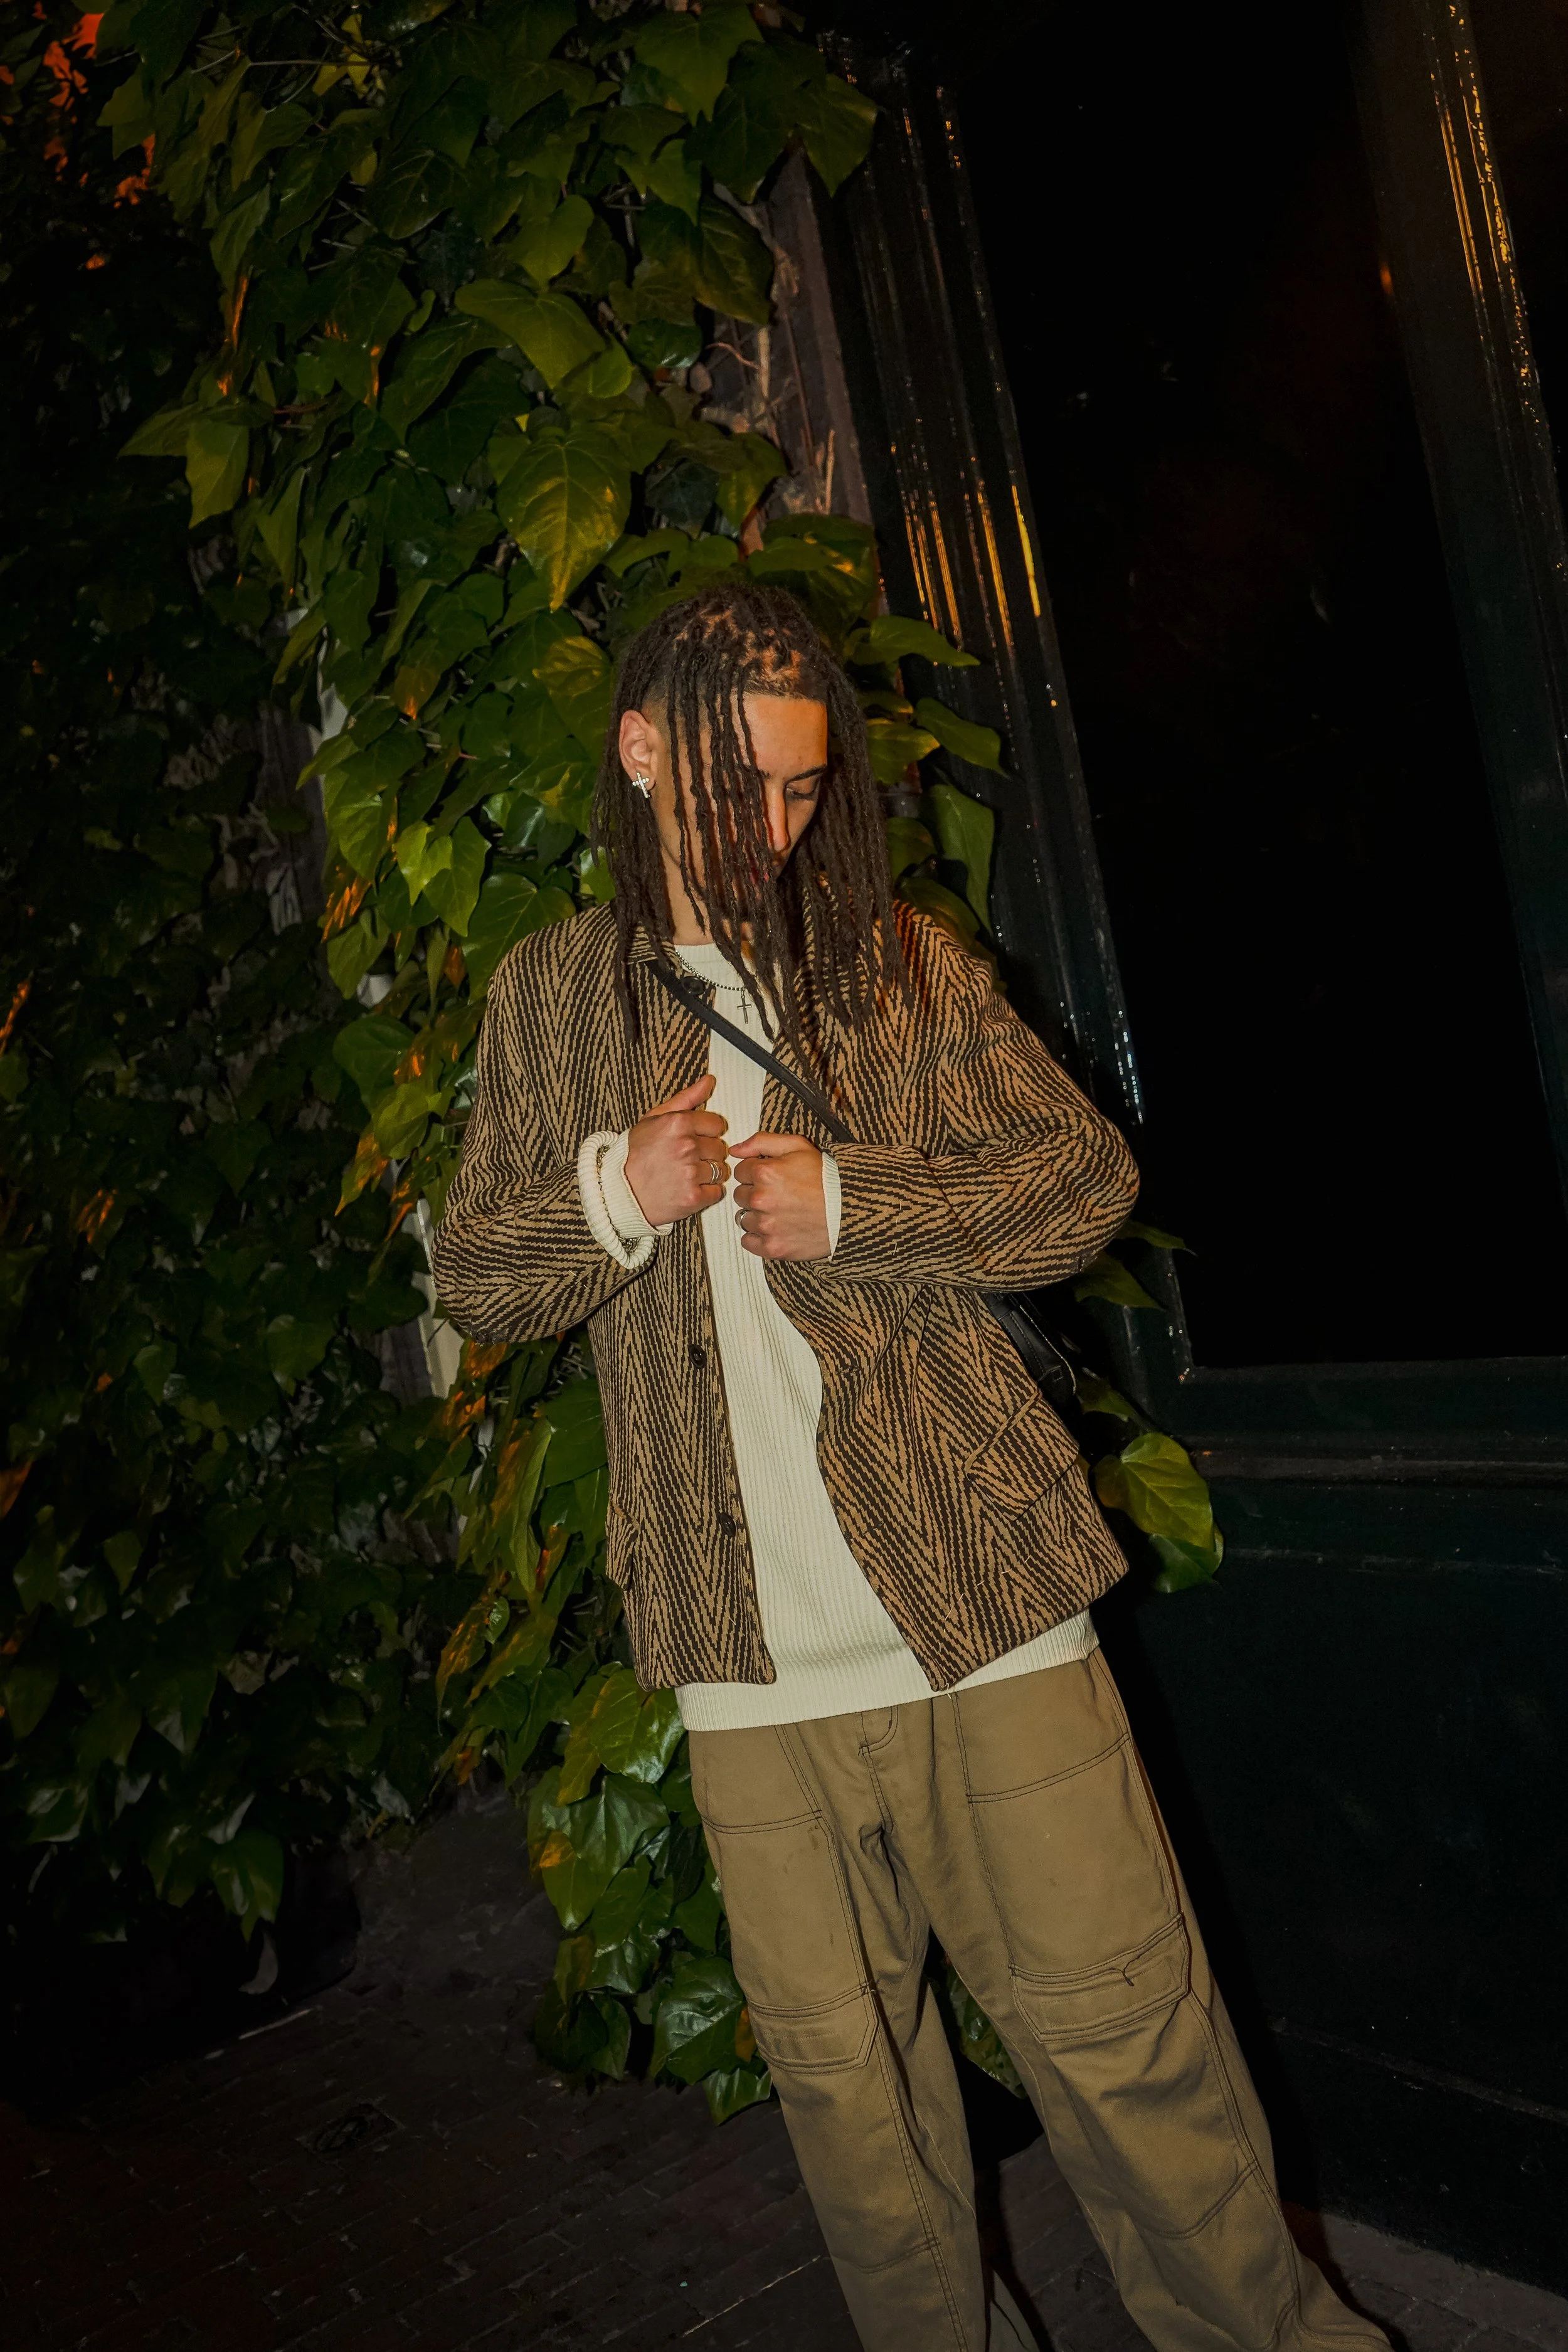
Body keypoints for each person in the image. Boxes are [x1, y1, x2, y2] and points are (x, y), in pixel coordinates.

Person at [433, 580, 1384, 2352]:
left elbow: (1080, 1180)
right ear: (640, 754)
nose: (774, 827)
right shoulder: (552, 992)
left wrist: (863, 1204)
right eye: (737, 783)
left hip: (988, 1618)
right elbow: (473, 1275)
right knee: (857, 2130)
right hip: (749, 1675)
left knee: (1134, 2059)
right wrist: (608, 1197)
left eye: (802, 789)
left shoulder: (897, 963)